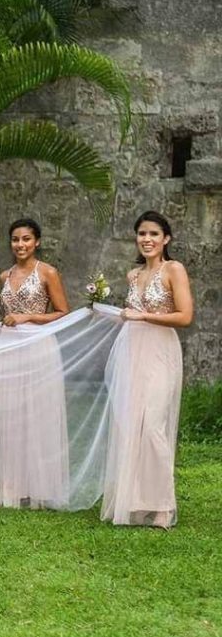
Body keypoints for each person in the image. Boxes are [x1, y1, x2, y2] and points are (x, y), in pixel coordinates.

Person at [102, 211, 194, 528]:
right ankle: (138, 502)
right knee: (132, 426)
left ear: (166, 238)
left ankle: (163, 506)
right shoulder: (133, 275)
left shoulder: (174, 269)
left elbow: (185, 316)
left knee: (154, 426)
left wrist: (144, 317)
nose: (147, 239)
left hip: (160, 351)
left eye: (154, 233)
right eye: (142, 233)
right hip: (132, 350)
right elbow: (130, 314)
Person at [0, 218, 70, 509]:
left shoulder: (47, 272)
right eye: (15, 239)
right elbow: (8, 315)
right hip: (9, 348)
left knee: (39, 413)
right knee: (11, 414)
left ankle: (42, 486)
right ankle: (15, 487)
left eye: (26, 239)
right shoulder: (4, 276)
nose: (20, 244)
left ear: (37, 242)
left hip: (39, 347)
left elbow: (62, 312)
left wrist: (29, 317)